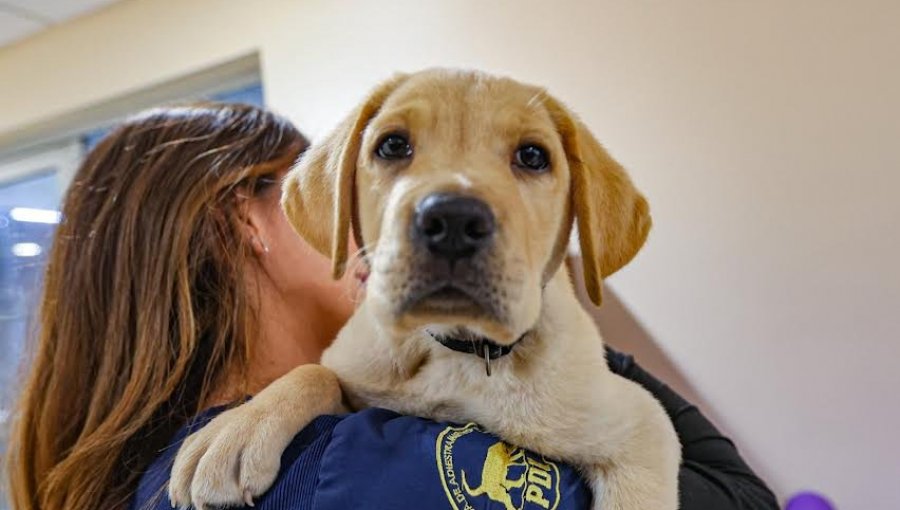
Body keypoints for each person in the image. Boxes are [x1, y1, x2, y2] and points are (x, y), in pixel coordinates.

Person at [5, 103, 778, 510]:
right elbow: (739, 502)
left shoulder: (174, 466)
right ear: (246, 220)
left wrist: (517, 305)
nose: (357, 220)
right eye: (311, 184)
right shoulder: (332, 470)